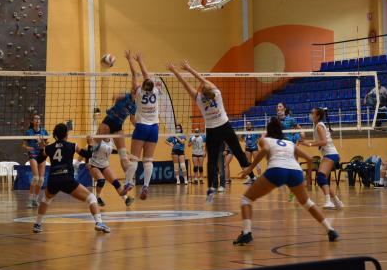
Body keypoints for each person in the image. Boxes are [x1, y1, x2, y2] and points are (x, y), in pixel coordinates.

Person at [232, 117, 338, 245]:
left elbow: (265, 150)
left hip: (277, 170)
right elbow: (310, 159)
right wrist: (308, 180)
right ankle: (330, 230)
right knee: (307, 203)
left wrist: (249, 169)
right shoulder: (289, 143)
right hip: (295, 171)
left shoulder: (264, 140)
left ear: (267, 131)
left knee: (246, 200)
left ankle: (246, 233)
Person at [168, 61, 255, 204]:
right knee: (239, 152)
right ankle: (251, 176)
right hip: (224, 126)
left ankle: (210, 190)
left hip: (212, 130)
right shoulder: (217, 93)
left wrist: (174, 71)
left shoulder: (198, 99)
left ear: (202, 92)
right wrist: (190, 68)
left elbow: (185, 84)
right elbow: (203, 79)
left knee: (212, 162)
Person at [33, 123, 111, 233]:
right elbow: (88, 154)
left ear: (55, 135)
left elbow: (39, 160)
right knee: (92, 198)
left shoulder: (49, 148)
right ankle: (99, 222)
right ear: (66, 134)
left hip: (53, 179)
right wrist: (89, 144)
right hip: (67, 179)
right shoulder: (72, 145)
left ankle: (37, 224)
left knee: (45, 200)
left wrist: (42, 149)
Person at [122, 50, 160, 200]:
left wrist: (130, 60)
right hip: (154, 128)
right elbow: (145, 74)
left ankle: (128, 183)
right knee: (148, 160)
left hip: (142, 126)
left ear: (143, 86)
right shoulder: (156, 91)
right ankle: (145, 186)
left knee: (134, 158)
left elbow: (135, 74)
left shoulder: (138, 92)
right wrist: (141, 59)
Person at [303, 108, 344, 209]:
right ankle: (337, 202)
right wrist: (306, 142)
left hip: (331, 154)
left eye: (312, 113)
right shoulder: (317, 126)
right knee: (322, 180)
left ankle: (328, 202)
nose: (310, 114)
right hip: (328, 154)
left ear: (317, 116)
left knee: (321, 177)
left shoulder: (319, 126)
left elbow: (324, 142)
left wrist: (309, 144)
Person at [85, 136, 134, 207]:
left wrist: (121, 152)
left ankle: (126, 198)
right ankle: (97, 197)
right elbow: (89, 150)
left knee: (116, 182)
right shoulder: (98, 140)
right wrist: (87, 162)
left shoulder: (111, 140)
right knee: (101, 180)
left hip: (104, 165)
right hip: (94, 165)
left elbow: (109, 150)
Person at [98, 91, 137, 173]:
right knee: (95, 146)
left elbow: (132, 119)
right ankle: (79, 163)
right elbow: (115, 95)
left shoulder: (135, 106)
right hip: (108, 122)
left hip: (118, 127)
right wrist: (113, 105)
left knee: (124, 156)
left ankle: (128, 180)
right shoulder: (126, 95)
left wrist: (140, 128)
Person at [22, 114, 49, 208]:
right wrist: (27, 147)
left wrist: (43, 144)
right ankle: (29, 200)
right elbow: (23, 145)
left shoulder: (44, 131)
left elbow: (46, 144)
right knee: (36, 178)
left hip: (41, 154)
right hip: (33, 153)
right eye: (35, 119)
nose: (37, 120)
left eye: (39, 119)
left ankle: (35, 199)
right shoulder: (29, 132)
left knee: (41, 179)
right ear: (32, 121)